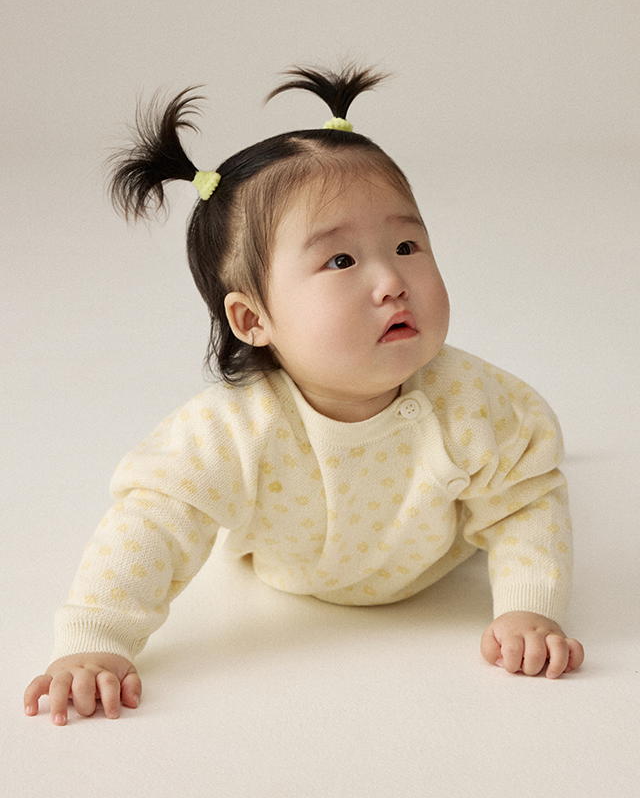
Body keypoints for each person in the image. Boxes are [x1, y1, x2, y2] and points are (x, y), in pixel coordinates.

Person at [24, 63, 585, 725]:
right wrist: (95, 641)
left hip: (438, 571)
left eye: (407, 245)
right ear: (252, 319)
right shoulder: (232, 431)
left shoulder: (474, 402)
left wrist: (528, 607)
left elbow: (525, 502)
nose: (391, 281)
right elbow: (150, 527)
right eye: (340, 261)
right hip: (284, 580)